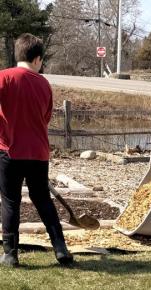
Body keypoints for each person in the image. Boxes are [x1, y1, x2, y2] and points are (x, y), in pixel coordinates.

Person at [0, 33, 73, 267]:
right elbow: (46, 117)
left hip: (9, 151)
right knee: (42, 200)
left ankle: (10, 253)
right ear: (37, 59)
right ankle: (60, 248)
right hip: (39, 153)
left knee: (10, 201)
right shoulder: (44, 84)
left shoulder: (4, 78)